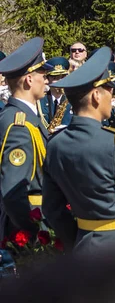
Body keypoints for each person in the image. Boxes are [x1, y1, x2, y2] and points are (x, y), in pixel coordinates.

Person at [42, 47, 115, 253]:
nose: (112, 95)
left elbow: (52, 208)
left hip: (83, 243)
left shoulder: (55, 145)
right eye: (108, 89)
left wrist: (78, 235)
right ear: (95, 95)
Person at [0, 38, 51, 240]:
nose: (46, 80)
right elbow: (14, 192)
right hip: (27, 229)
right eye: (43, 74)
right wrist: (33, 232)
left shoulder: (21, 116)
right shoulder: (18, 125)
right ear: (29, 79)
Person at [38, 57, 72, 131]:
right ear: (48, 79)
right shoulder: (39, 101)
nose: (60, 81)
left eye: (63, 77)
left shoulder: (73, 101)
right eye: (55, 78)